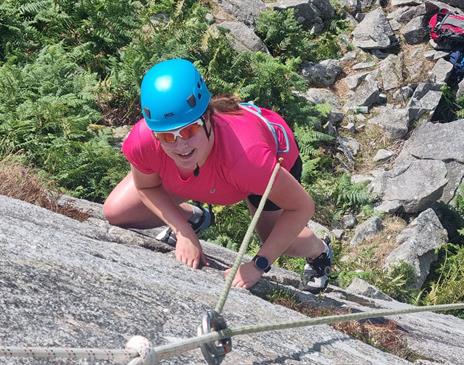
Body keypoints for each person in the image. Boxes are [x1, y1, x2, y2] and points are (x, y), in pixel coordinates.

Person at [103, 58, 333, 293]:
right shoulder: (144, 141)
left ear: (208, 118)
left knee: (278, 239)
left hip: (270, 157)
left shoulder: (250, 160)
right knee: (116, 212)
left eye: (189, 130)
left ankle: (319, 252)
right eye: (167, 137)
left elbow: (302, 207)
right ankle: (195, 218)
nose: (181, 145)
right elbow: (146, 188)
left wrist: (259, 264)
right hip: (211, 175)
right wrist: (184, 231)